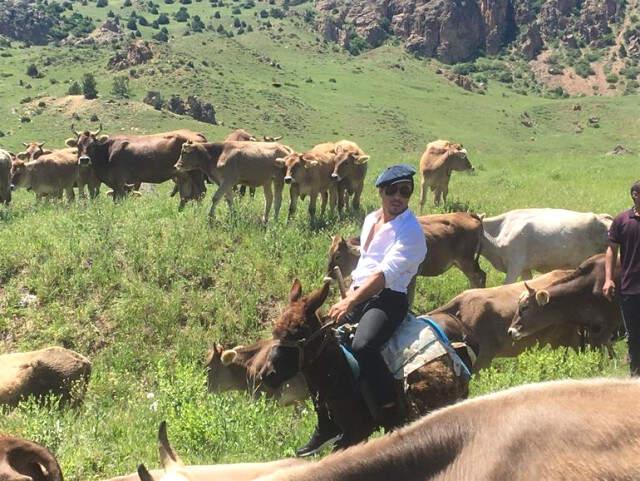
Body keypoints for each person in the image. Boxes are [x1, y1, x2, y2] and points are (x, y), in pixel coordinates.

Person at [295, 164, 428, 457]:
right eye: (391, 190)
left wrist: (350, 303)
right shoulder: (371, 220)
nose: (397, 196)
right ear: (380, 192)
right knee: (319, 346)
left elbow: (383, 275)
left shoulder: (412, 233)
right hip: (359, 293)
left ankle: (389, 412)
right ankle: (327, 423)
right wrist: (350, 295)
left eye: (404, 190)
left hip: (389, 298)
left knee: (364, 345)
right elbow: (366, 264)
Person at [604, 180, 640, 376]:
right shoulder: (621, 221)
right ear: (635, 195)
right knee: (634, 336)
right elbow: (611, 249)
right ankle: (636, 377)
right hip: (631, 287)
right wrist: (608, 279)